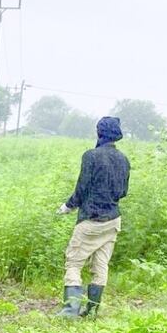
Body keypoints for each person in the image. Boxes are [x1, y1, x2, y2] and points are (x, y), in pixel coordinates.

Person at [56, 116, 130, 318]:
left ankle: (70, 310)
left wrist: (67, 206)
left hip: (91, 220)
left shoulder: (91, 156)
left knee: (73, 262)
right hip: (113, 221)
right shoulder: (124, 159)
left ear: (99, 133)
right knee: (101, 264)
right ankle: (91, 310)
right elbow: (123, 191)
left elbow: (81, 189)